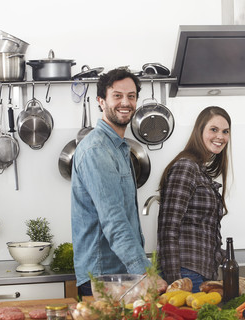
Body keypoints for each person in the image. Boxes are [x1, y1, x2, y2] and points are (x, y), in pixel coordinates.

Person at [71, 68, 165, 296]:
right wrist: (145, 272)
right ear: (101, 101)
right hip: (104, 277)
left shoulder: (120, 148)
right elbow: (114, 220)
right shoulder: (97, 150)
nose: (126, 102)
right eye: (117, 96)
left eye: (131, 96)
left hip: (119, 274)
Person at [157, 106, 232, 292]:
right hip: (186, 273)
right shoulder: (186, 167)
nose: (220, 137)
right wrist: (177, 283)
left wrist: (223, 256)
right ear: (200, 131)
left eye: (225, 131)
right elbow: (168, 228)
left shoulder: (200, 170)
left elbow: (201, 229)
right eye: (213, 129)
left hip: (200, 273)